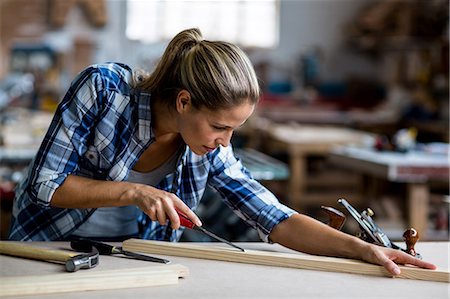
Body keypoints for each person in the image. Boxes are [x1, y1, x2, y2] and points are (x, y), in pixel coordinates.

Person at [9, 28, 435, 276]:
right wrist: (133, 192)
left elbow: (274, 217)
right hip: (47, 253)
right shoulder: (102, 89)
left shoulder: (207, 146)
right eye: (219, 126)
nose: (225, 141)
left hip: (132, 263)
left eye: (234, 129)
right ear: (183, 102)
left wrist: (362, 250)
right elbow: (47, 184)